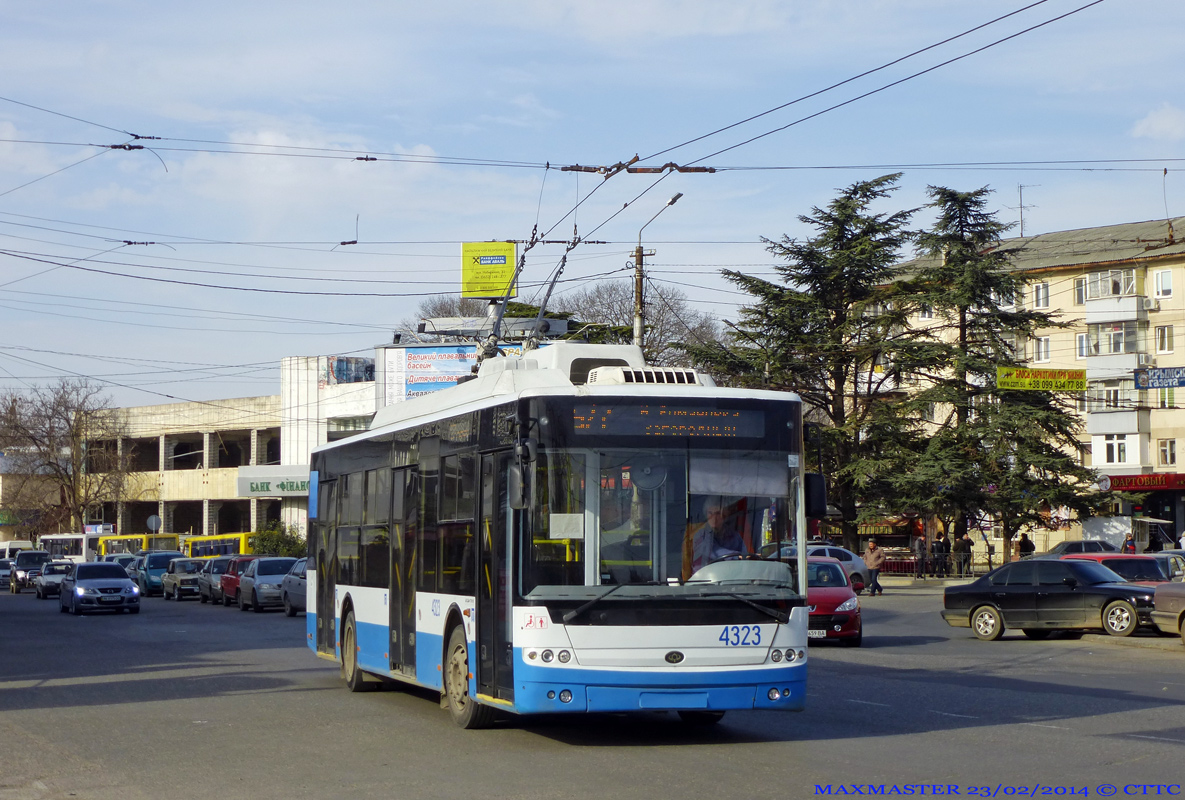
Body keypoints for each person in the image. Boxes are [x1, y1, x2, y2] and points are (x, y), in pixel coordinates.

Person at [688, 497, 748, 572]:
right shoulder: (700, 534)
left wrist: (748, 557)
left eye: (718, 513)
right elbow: (713, 550)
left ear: (725, 515)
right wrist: (737, 556)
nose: (714, 517)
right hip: (704, 579)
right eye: (710, 513)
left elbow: (745, 554)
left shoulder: (734, 536)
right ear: (706, 514)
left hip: (730, 578)